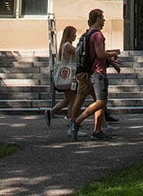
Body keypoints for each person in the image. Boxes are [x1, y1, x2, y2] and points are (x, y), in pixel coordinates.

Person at [67, 8, 121, 141]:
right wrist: (113, 54)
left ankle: (97, 130)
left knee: (99, 101)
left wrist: (111, 60)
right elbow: (100, 54)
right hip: (98, 72)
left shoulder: (88, 34)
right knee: (101, 101)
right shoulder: (97, 35)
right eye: (102, 17)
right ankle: (77, 122)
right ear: (97, 19)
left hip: (91, 72)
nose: (104, 20)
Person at [47, 25, 78, 125]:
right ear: (69, 35)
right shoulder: (68, 46)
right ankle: (71, 122)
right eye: (74, 34)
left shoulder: (63, 45)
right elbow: (78, 52)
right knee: (72, 100)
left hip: (66, 75)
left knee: (68, 99)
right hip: (69, 76)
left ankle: (51, 112)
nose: (75, 36)